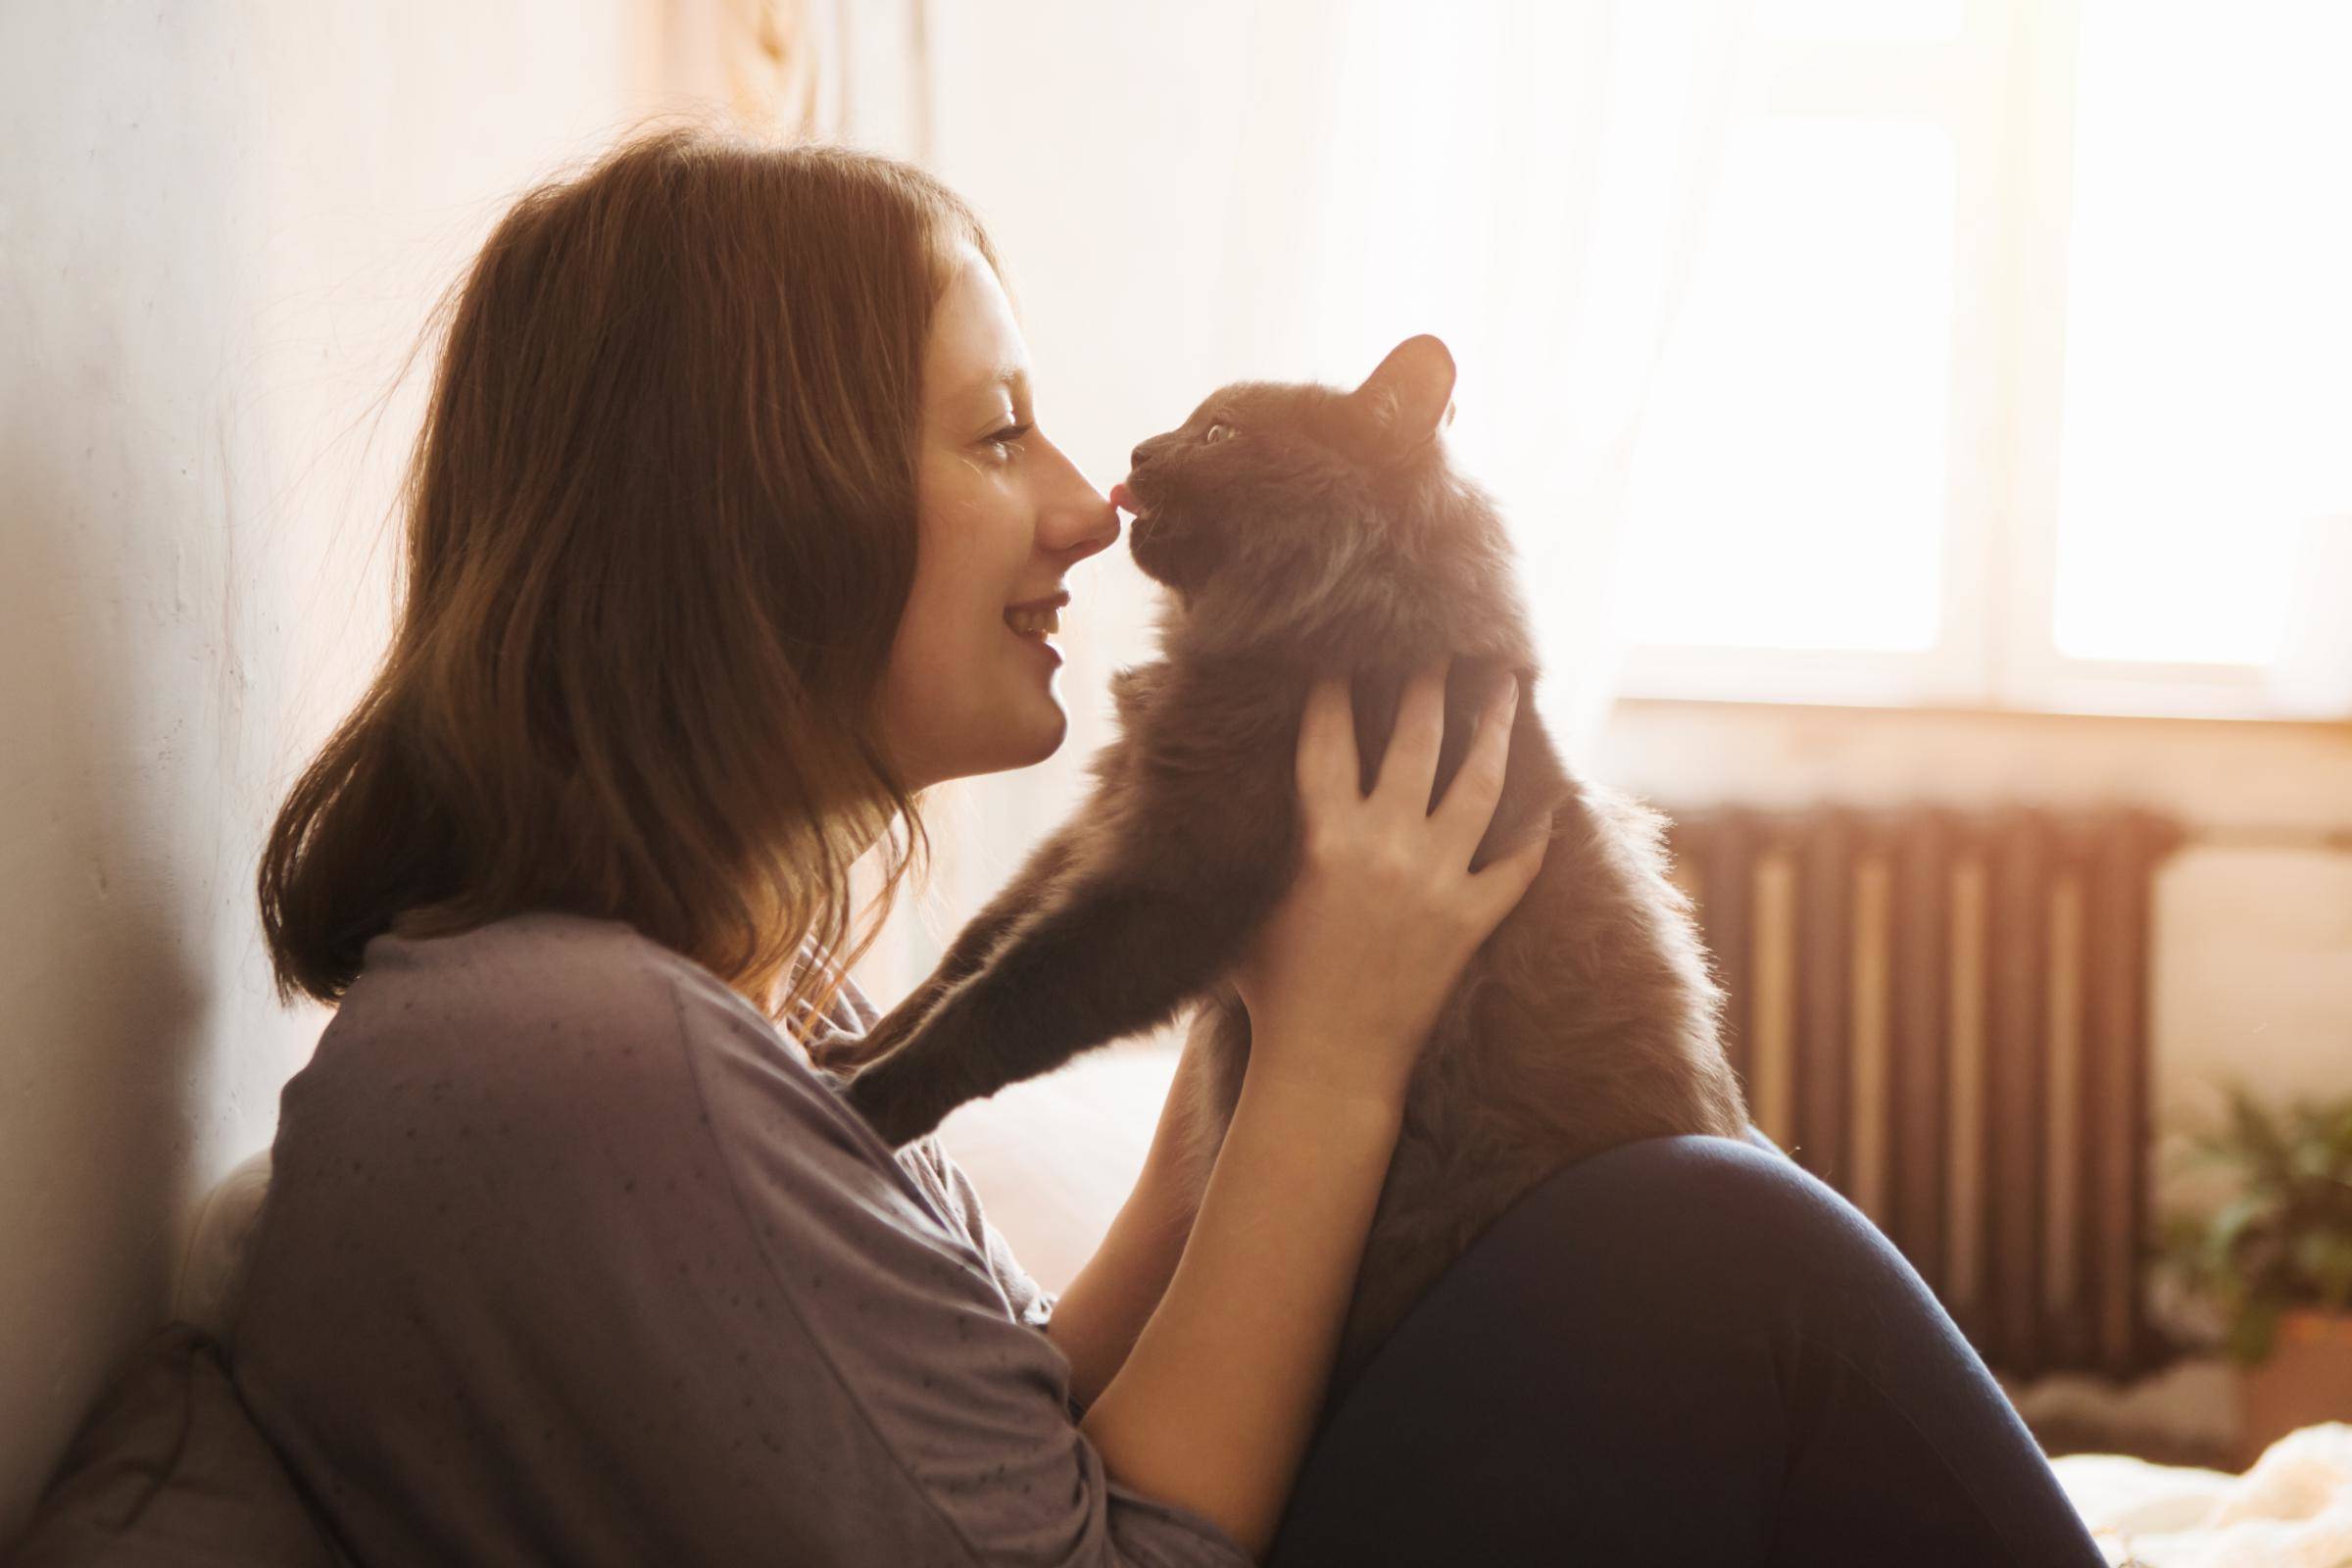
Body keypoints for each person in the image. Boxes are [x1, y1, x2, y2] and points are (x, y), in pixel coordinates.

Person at [239, 127, 2104, 1565]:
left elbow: (1003, 1418)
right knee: (1721, 1244)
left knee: (1714, 1236)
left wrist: (1261, 1022)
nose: (1087, 504)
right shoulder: (594, 1058)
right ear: (753, 510)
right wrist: (1336, 1056)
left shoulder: (688, 1015)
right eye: (998, 436)